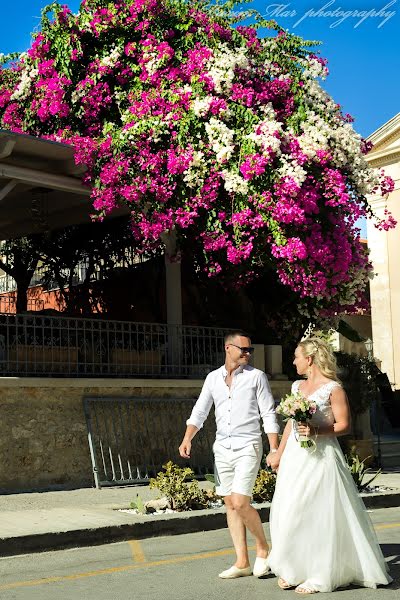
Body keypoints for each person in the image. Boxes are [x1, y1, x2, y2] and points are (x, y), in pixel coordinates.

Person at [267, 337, 392, 594]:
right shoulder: (296, 386)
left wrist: (316, 430)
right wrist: (279, 452)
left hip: (321, 456)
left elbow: (344, 425)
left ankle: (319, 573)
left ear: (309, 359)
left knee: (317, 513)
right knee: (291, 511)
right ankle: (294, 568)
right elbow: (291, 423)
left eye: (296, 356)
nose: (293, 361)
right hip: (295, 457)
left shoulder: (333, 388)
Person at [179, 330, 280, 579]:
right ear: (228, 348)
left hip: (248, 445)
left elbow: (268, 413)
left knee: (240, 502)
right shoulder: (213, 378)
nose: (247, 353)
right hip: (222, 447)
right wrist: (187, 438)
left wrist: (274, 448)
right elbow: (200, 410)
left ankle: (263, 547)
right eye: (243, 349)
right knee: (229, 504)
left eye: (250, 350)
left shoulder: (257, 377)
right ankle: (242, 561)